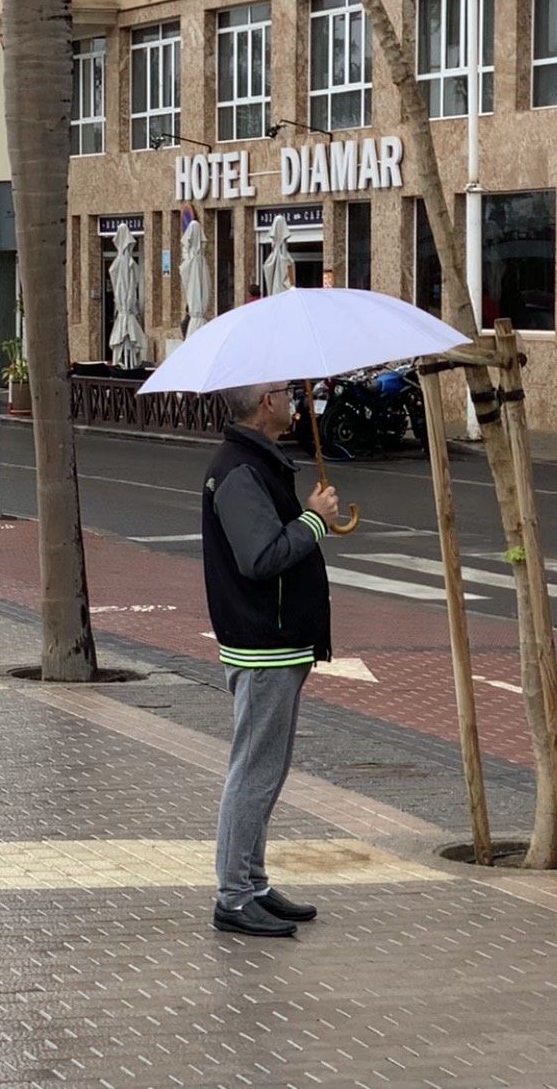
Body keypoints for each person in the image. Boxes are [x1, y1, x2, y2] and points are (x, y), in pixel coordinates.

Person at [202, 381, 339, 938]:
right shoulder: (238, 471)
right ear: (265, 405)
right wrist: (313, 520)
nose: (292, 400)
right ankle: (233, 896)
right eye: (285, 392)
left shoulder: (258, 462)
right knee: (254, 772)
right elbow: (261, 558)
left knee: (267, 769)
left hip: (276, 642)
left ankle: (253, 881)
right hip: (262, 644)